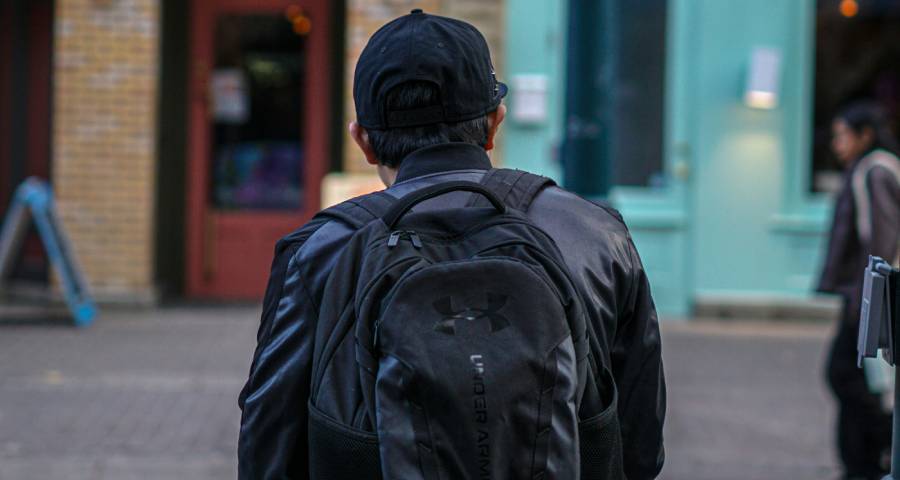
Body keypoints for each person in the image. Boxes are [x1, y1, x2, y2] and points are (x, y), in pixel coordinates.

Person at [238, 10, 665, 479]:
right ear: (494, 124)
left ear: (363, 142)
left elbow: (267, 451)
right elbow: (641, 446)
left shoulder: (320, 252)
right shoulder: (595, 234)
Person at [820, 101, 900, 480]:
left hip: (869, 297)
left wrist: (869, 300)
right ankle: (860, 466)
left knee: (844, 374)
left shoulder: (875, 171)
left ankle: (880, 448)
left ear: (864, 135)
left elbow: (882, 240)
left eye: (842, 135)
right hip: (861, 294)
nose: (836, 144)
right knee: (852, 378)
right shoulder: (866, 169)